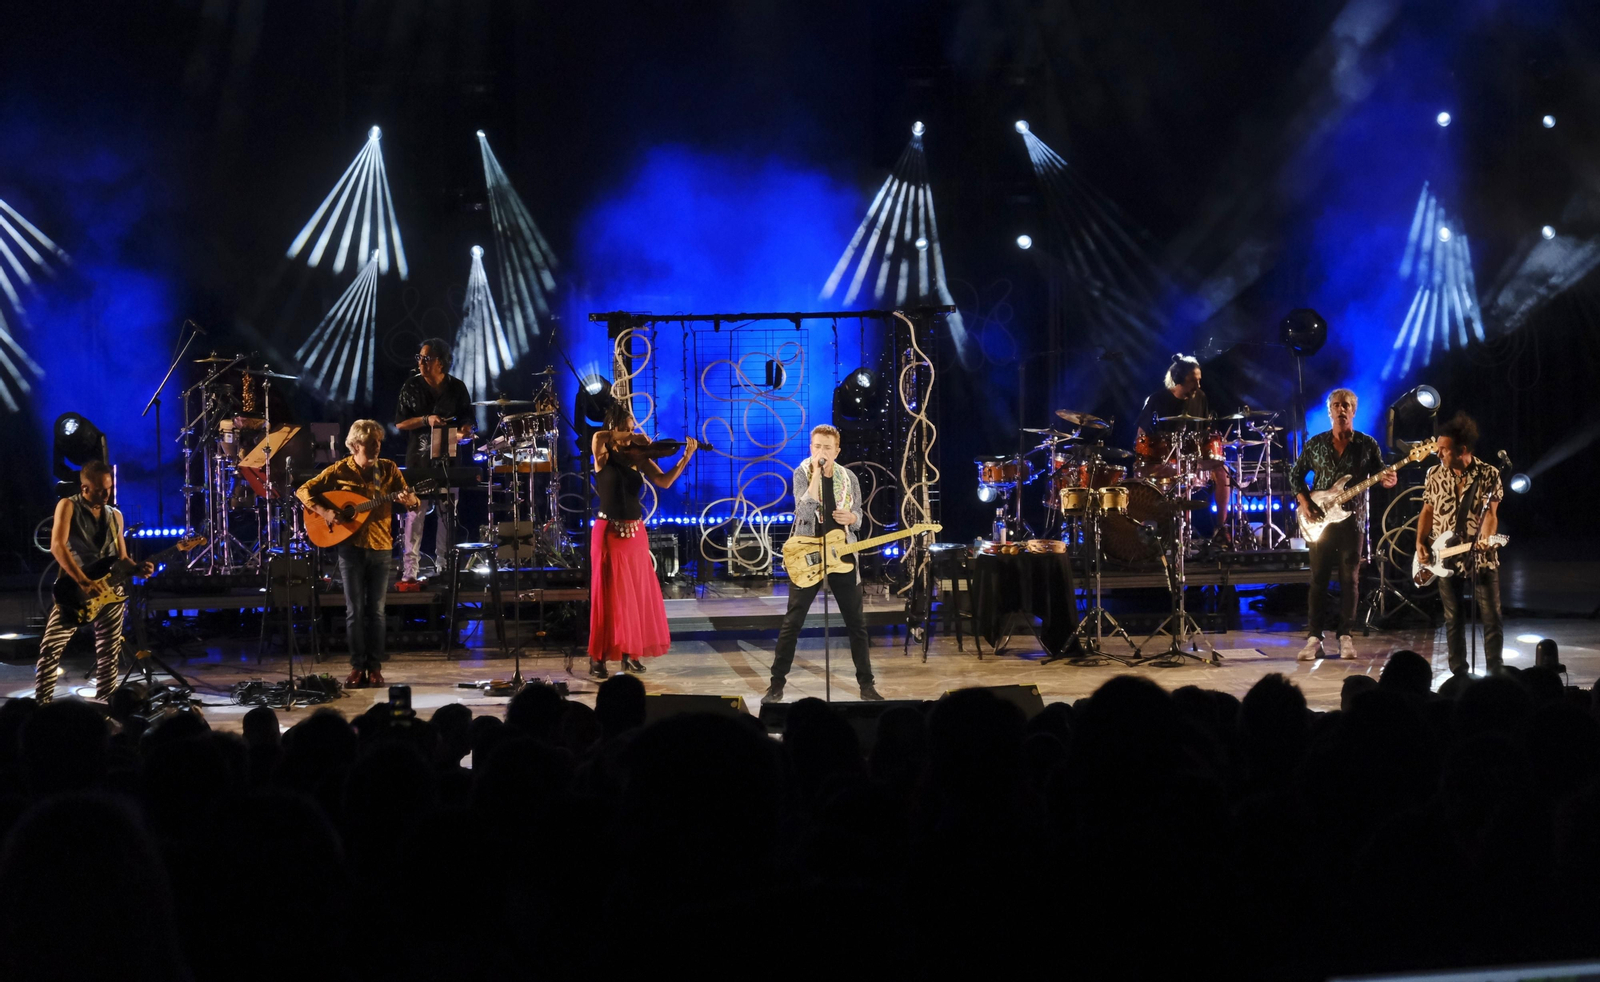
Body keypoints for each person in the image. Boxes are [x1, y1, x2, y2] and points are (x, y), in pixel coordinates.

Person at [762, 424, 883, 704]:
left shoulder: (848, 477)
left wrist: (852, 519)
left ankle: (866, 685)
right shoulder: (801, 473)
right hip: (809, 556)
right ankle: (776, 685)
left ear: (837, 450)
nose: (821, 451)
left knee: (857, 624)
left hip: (841, 555)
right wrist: (817, 474)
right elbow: (803, 513)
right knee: (792, 622)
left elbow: (860, 515)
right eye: (816, 446)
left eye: (827, 447)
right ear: (810, 447)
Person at [296, 420, 419, 688]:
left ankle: (374, 668)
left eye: (378, 441)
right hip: (350, 549)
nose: (376, 446)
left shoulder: (387, 469)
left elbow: (414, 500)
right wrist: (327, 512)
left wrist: (410, 500)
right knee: (354, 611)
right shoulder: (339, 470)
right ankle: (356, 667)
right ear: (354, 445)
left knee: (376, 612)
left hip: (381, 547)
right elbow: (302, 490)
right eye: (370, 442)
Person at [588, 403, 697, 680]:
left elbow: (663, 481)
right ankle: (598, 656)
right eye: (625, 427)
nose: (631, 433)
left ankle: (630, 653)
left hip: (635, 533)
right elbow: (600, 438)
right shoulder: (602, 451)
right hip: (608, 533)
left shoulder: (637, 456)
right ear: (613, 427)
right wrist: (625, 438)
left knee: (634, 595)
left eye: (633, 427)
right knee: (609, 595)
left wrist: (686, 457)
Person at [1289, 388, 1397, 661]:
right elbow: (1295, 475)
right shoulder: (1315, 444)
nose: (1341, 409)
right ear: (1330, 411)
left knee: (1350, 579)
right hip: (1319, 521)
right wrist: (1304, 502)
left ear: (1353, 411)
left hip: (1354, 521)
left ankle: (1345, 636)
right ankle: (1315, 637)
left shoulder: (1367, 444)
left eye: (1346, 405)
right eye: (1336, 405)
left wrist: (1388, 479)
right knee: (1318, 579)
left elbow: (1382, 473)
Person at [35, 460, 152, 702]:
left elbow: (122, 559)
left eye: (108, 488)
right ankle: (41, 704)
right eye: (100, 490)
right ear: (85, 488)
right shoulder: (67, 506)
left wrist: (139, 568)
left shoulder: (115, 515)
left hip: (110, 592)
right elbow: (57, 546)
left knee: (109, 652)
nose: (106, 494)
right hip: (75, 591)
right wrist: (83, 581)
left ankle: (107, 703)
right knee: (50, 648)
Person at [1416, 410, 1503, 676]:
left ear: (1461, 449)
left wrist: (1487, 539)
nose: (1438, 454)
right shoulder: (1434, 474)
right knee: (1453, 619)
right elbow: (1427, 511)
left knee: (1491, 618)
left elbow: (1491, 514)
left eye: (1444, 449)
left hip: (1480, 557)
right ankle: (1459, 674)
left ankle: (1494, 674)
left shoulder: (1488, 474)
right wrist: (1420, 542)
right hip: (1444, 556)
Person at [394, 338, 473, 586]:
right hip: (419, 460)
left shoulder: (457, 387)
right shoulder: (411, 386)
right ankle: (410, 571)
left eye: (426, 358)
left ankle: (445, 567)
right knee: (415, 513)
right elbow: (400, 423)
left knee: (447, 515)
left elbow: (468, 419)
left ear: (440, 362)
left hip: (448, 459)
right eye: (419, 357)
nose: (420, 362)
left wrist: (465, 431)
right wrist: (426, 419)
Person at [1135, 354, 1230, 511]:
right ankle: (1150, 525)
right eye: (1193, 380)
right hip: (1165, 460)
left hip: (1193, 458)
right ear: (1179, 378)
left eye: (1199, 380)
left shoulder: (1201, 398)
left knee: (1222, 470)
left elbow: (1206, 430)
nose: (1198, 385)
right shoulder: (1157, 399)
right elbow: (1141, 435)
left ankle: (1222, 529)